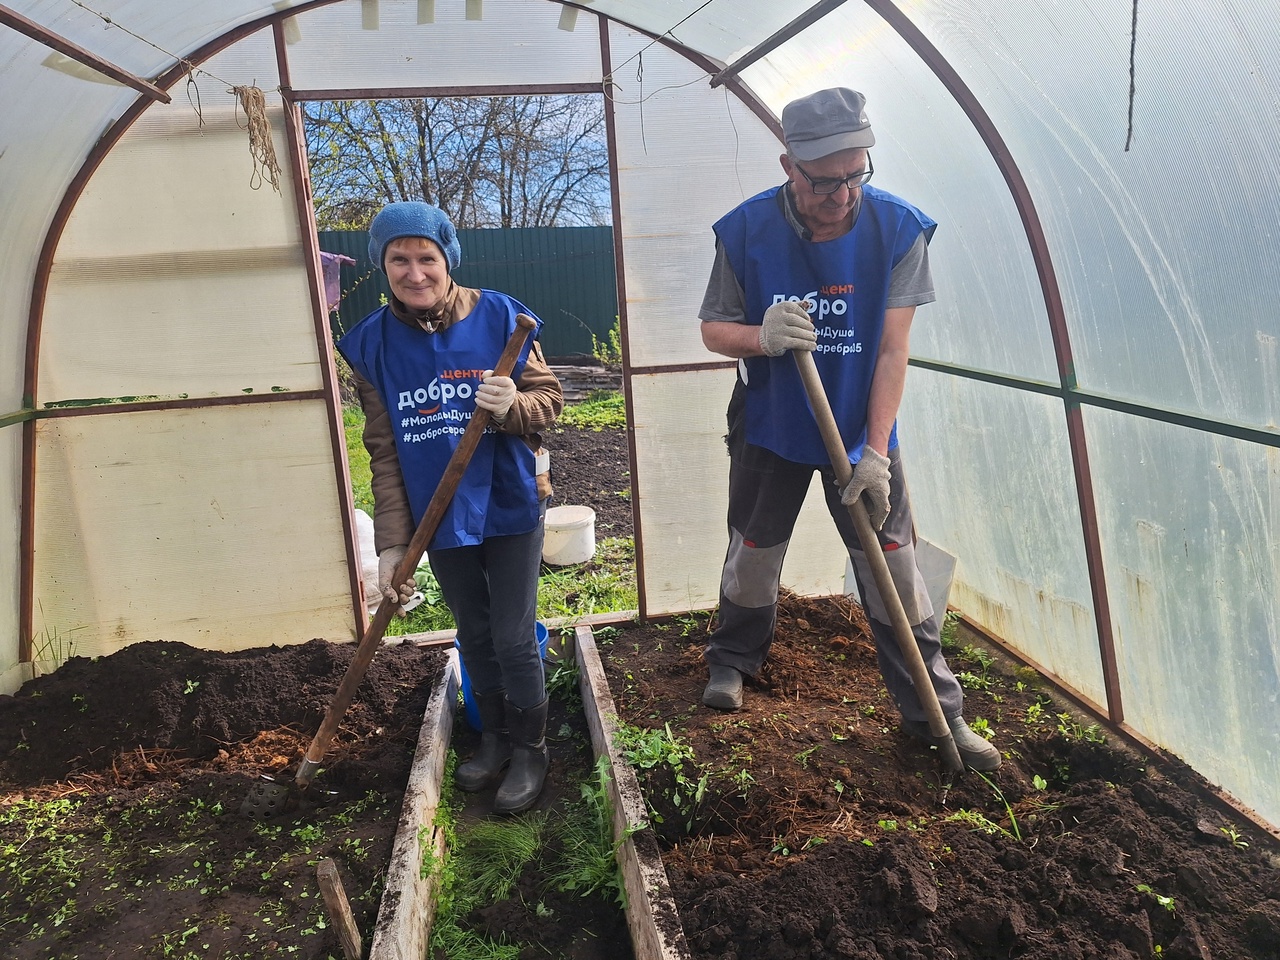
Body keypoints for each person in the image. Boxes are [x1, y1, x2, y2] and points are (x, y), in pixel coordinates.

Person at [697, 88, 1000, 771]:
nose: (842, 195)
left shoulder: (899, 229)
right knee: (754, 550)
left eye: (855, 176)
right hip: (772, 423)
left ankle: (935, 712)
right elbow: (714, 329)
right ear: (789, 166)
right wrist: (760, 336)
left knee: (892, 564)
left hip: (863, 428)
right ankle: (732, 661)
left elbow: (892, 349)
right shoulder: (743, 231)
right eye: (824, 181)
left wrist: (876, 451)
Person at [337, 201, 565, 812]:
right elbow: (384, 451)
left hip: (511, 500)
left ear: (448, 259)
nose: (415, 273)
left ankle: (532, 749)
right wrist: (392, 545)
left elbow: (549, 400)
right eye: (399, 260)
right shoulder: (371, 346)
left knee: (513, 636)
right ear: (382, 265)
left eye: (427, 258)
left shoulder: (501, 317)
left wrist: (513, 406)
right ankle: (493, 738)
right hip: (437, 513)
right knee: (474, 631)